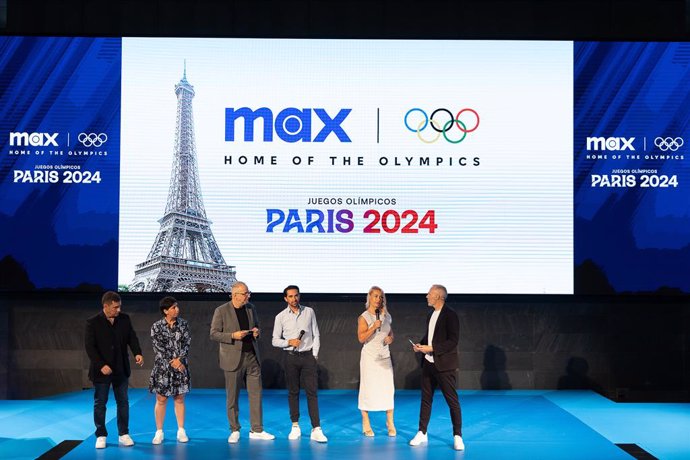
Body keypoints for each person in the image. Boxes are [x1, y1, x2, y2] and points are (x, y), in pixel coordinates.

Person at [210, 281, 275, 443]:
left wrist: (257, 332)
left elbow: (257, 326)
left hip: (252, 356)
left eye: (248, 293)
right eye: (245, 293)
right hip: (232, 359)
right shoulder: (221, 310)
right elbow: (214, 334)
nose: (248, 296)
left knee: (256, 395)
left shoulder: (251, 308)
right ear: (235, 295)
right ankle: (234, 429)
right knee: (232, 397)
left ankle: (257, 430)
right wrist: (233, 335)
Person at [85, 291, 143, 449]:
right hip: (101, 370)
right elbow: (90, 347)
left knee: (123, 402)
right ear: (105, 306)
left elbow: (132, 337)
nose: (119, 310)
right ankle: (101, 435)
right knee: (100, 403)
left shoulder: (124, 319)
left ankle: (123, 434)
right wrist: (101, 365)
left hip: (121, 368)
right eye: (115, 307)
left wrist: (137, 353)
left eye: (119, 307)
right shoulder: (92, 322)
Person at [409, 284, 464, 450]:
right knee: (426, 399)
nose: (426, 296)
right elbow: (429, 336)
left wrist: (432, 348)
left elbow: (453, 341)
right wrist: (421, 345)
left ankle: (458, 436)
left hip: (444, 365)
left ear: (439, 296)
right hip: (428, 363)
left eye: (429, 293)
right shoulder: (430, 314)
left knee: (452, 401)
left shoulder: (450, 315)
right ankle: (422, 432)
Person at [271, 285, 328, 442]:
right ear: (285, 298)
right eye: (290, 296)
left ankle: (316, 428)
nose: (294, 299)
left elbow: (316, 334)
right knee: (293, 392)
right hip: (290, 357)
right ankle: (295, 426)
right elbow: (275, 340)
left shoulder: (309, 312)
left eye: (296, 295)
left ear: (299, 296)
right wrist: (289, 342)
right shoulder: (280, 317)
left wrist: (314, 355)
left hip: (308, 356)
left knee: (312, 392)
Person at [149, 296, 191, 445]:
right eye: (173, 307)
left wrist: (180, 360)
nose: (177, 309)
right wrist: (173, 362)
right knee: (161, 399)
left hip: (180, 367)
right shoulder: (156, 327)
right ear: (165, 311)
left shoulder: (184, 325)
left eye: (177, 306)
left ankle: (181, 430)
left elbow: (187, 344)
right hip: (163, 368)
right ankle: (159, 432)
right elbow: (158, 348)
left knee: (179, 398)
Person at [357, 286, 395, 437]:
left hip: (384, 357)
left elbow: (391, 333)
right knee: (368, 388)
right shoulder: (364, 317)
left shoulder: (387, 316)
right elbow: (361, 338)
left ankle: (390, 422)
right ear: (370, 298)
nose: (378, 299)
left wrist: (390, 338)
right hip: (370, 358)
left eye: (381, 297)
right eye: (375, 296)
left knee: (388, 389)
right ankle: (366, 421)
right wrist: (373, 326)